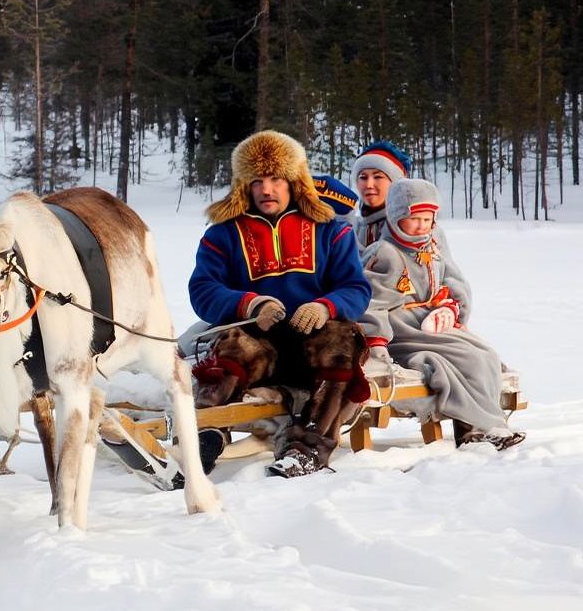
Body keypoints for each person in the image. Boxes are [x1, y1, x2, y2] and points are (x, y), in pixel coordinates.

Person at [189, 130, 372, 477]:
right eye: (257, 181)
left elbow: (355, 287)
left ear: (295, 181)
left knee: (343, 340)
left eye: (275, 179)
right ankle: (206, 435)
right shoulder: (222, 234)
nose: (267, 189)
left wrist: (325, 306)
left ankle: (307, 448)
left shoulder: (331, 230)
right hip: (259, 346)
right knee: (230, 343)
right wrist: (248, 304)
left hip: (315, 347)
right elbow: (202, 289)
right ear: (244, 184)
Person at [359, 179, 525, 450]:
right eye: (415, 219)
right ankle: (482, 426)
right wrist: (376, 343)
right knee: (466, 358)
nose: (422, 226)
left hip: (429, 324)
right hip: (403, 329)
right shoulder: (385, 253)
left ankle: (484, 425)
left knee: (487, 355)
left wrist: (449, 307)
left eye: (428, 219)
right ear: (397, 216)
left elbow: (450, 282)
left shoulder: (431, 248)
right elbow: (371, 303)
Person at [351, 140, 411, 250]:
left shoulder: (415, 227)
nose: (369, 185)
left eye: (378, 177)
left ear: (395, 182)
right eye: (363, 177)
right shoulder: (351, 228)